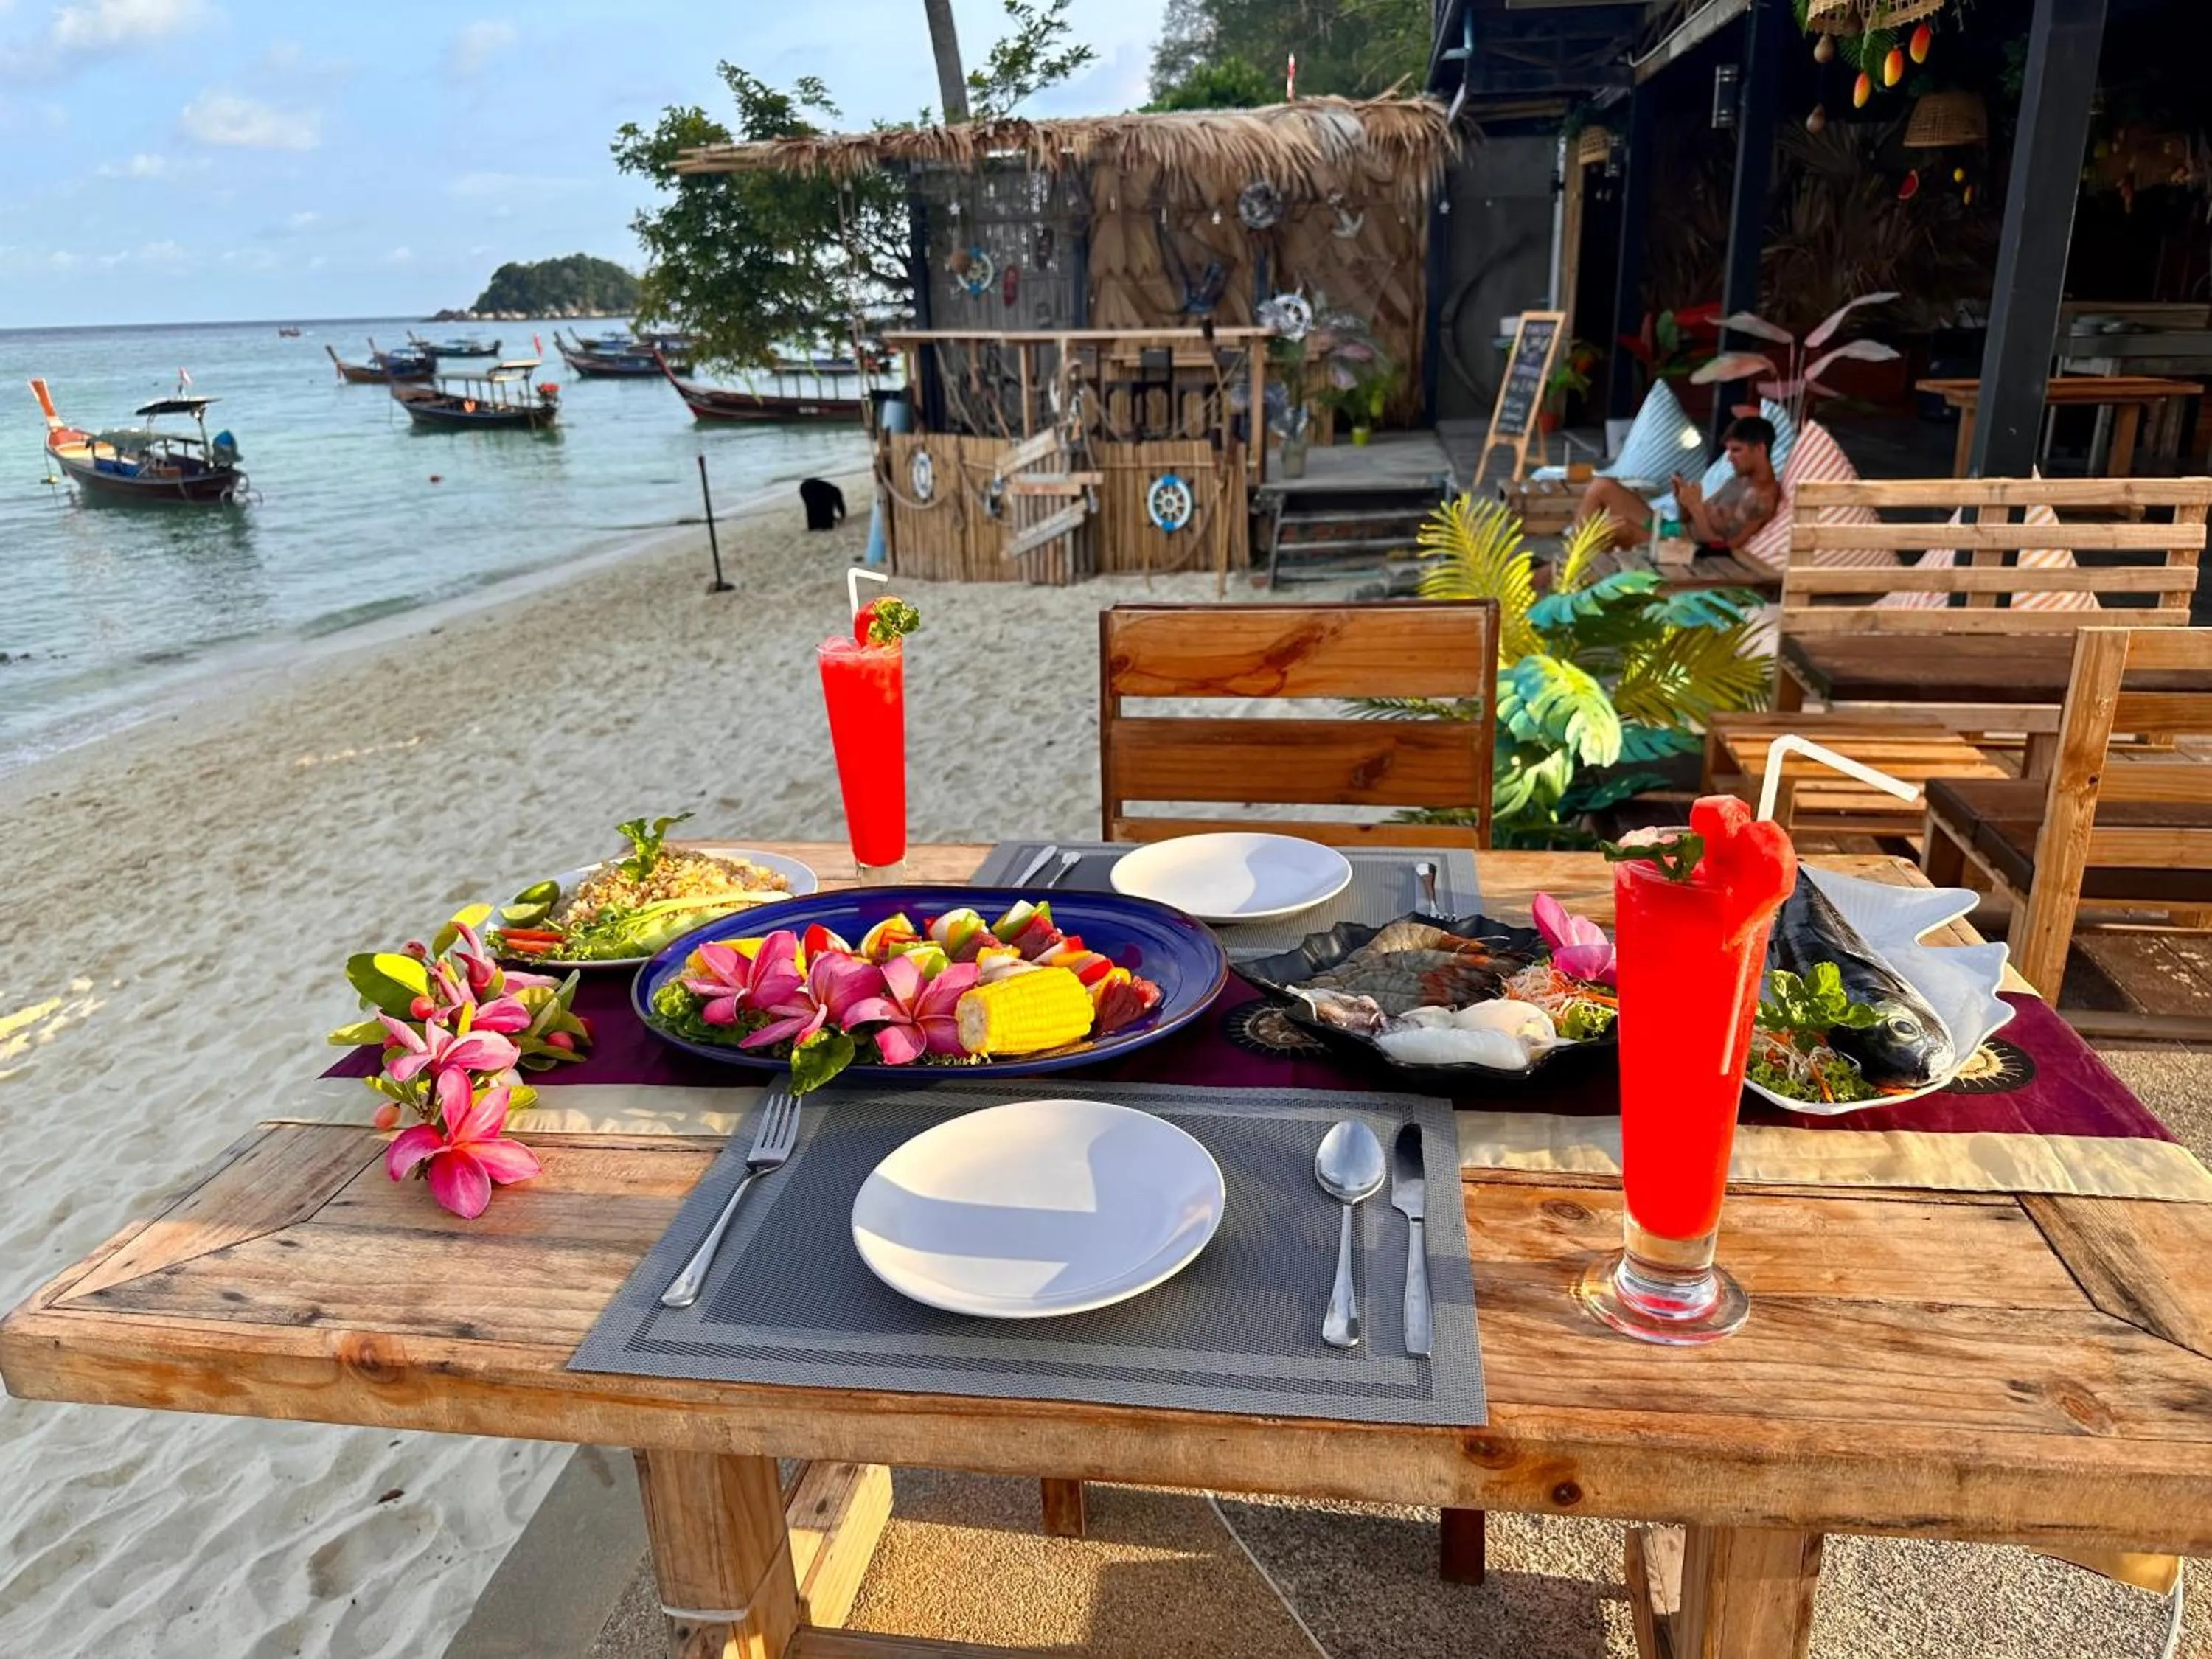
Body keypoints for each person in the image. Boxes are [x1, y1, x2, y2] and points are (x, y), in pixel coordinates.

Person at [1576, 415, 1781, 554]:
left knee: (1613, 527)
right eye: (1728, 451)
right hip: (1673, 529)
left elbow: (1721, 550)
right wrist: (1683, 502)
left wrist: (1695, 506)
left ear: (1760, 449)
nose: (1729, 458)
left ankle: (1569, 571)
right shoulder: (1738, 480)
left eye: (1736, 450)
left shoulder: (1761, 499)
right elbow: (1689, 520)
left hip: (1684, 550)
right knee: (1602, 486)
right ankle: (1569, 560)